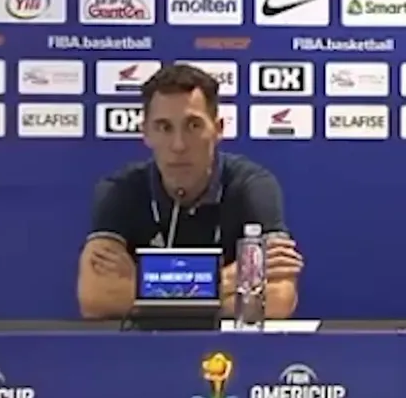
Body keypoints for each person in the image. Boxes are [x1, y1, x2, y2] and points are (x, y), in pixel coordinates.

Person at [77, 64, 305, 319]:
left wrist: (147, 292)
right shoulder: (121, 189)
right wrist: (224, 281)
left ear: (218, 129)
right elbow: (95, 298)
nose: (179, 145)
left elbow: (278, 299)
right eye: (164, 127)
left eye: (193, 126)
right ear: (146, 133)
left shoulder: (251, 186)